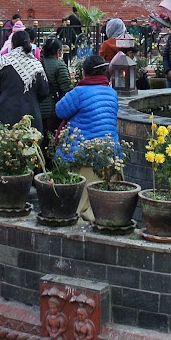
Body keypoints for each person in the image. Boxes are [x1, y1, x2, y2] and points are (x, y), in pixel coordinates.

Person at [55, 54, 120, 220]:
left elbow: (60, 110)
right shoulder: (112, 93)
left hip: (83, 153)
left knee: (79, 204)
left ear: (84, 73)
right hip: (110, 152)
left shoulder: (79, 92)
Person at [0, 30, 49, 129]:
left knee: (5, 143)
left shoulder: (4, 62)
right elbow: (44, 91)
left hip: (5, 115)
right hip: (30, 117)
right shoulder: (36, 65)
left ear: (12, 45)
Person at [39, 37, 74, 138]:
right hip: (53, 108)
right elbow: (66, 89)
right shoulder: (60, 66)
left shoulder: (38, 63)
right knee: (52, 138)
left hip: (38, 107)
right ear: (58, 51)